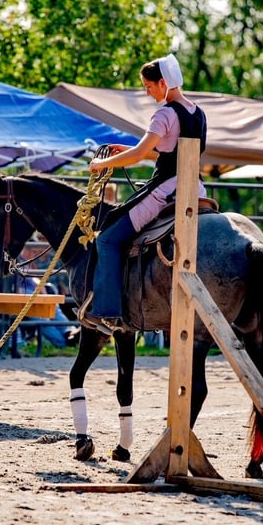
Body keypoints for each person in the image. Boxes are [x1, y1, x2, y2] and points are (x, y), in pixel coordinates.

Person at [82, 53, 207, 335]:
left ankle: (108, 312)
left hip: (166, 189)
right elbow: (163, 151)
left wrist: (101, 163)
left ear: (163, 83)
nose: (148, 92)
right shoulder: (198, 113)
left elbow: (139, 154)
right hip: (195, 188)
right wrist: (122, 150)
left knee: (108, 238)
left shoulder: (164, 113)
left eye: (149, 86)